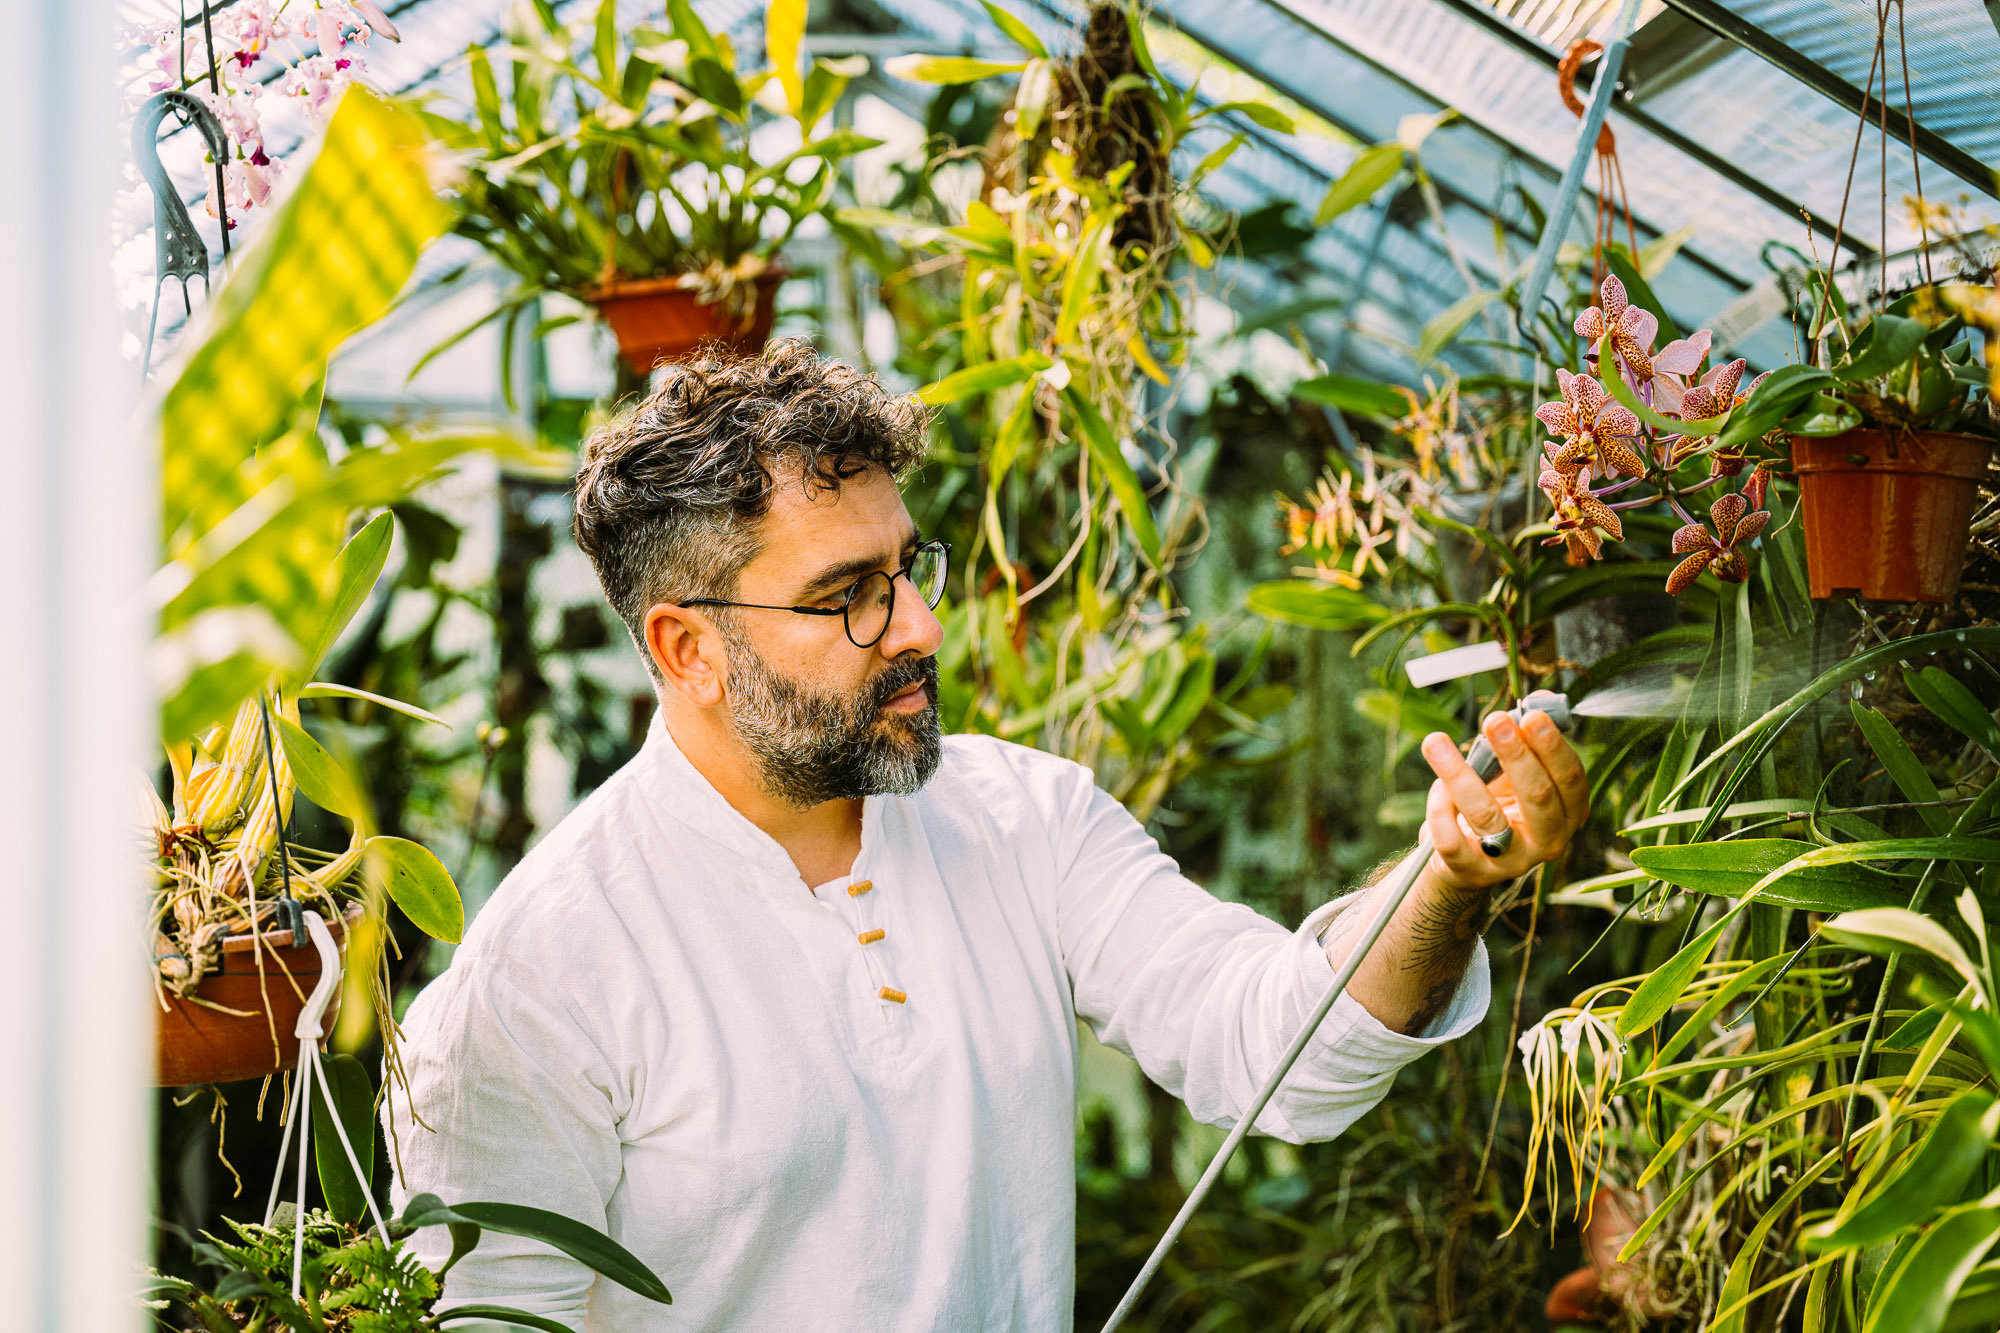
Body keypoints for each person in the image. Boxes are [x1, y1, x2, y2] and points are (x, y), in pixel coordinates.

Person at [389, 340, 1589, 1331]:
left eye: (907, 569)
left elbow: (1277, 1048)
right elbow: (491, 1315)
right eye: (845, 596)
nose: (917, 625)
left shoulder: (1026, 820)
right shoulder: (541, 974)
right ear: (685, 648)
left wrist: (1446, 878)